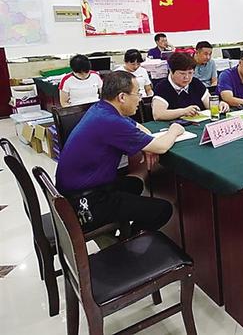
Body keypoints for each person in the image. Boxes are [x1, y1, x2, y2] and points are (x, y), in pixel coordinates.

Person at [55, 71, 183, 234]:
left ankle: (123, 232)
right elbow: (162, 147)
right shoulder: (110, 121)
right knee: (163, 209)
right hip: (84, 203)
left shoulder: (102, 108)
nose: (140, 98)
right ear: (122, 97)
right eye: (137, 93)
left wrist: (147, 144)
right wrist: (174, 130)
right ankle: (132, 238)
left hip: (80, 189)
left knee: (135, 184)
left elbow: (137, 127)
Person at [153, 52, 228, 121]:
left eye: (190, 73)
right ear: (171, 71)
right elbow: (158, 114)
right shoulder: (162, 87)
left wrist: (219, 105)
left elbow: (209, 104)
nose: (187, 77)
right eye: (182, 73)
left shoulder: (195, 83)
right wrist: (183, 111)